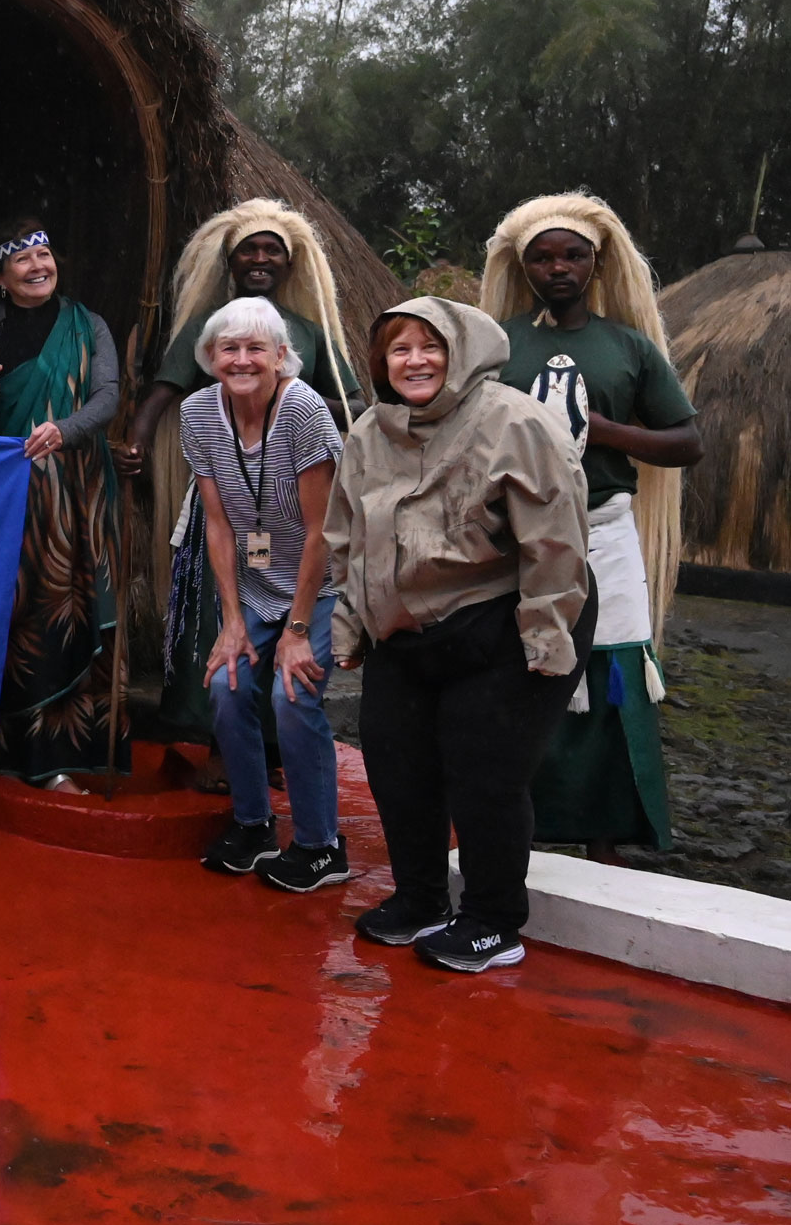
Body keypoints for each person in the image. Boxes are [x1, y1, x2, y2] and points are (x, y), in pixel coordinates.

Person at [327, 298, 594, 973]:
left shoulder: (514, 422)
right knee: (397, 764)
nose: (415, 361)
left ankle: (492, 922)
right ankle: (419, 898)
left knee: (486, 773)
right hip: (407, 626)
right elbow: (347, 537)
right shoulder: (370, 432)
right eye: (400, 349)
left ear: (463, 352)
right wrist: (350, 625)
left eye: (431, 346)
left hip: (502, 614)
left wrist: (545, 637)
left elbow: (556, 537)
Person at [481, 194, 700, 863]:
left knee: (611, 674)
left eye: (573, 255)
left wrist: (605, 432)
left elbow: (686, 441)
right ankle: (521, 828)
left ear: (595, 263)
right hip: (516, 538)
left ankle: (605, 838)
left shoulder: (628, 347)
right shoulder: (498, 345)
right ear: (523, 266)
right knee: (522, 672)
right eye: (542, 258)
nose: (558, 268)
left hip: (605, 530)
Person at [115, 199, 363, 788]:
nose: (260, 258)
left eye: (272, 250)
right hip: (224, 505)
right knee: (216, 624)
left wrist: (288, 395)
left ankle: (275, 754)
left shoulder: (308, 332)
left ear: (289, 262)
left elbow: (354, 403)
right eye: (248, 249)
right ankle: (220, 749)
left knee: (287, 629)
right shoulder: (214, 325)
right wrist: (137, 440)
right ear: (230, 262)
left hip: (292, 512)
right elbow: (167, 386)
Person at [182, 299, 347, 889]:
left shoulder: (302, 409)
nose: (242, 360)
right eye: (229, 348)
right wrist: (231, 622)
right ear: (210, 357)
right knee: (226, 687)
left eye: (256, 348)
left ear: (281, 356)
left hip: (320, 584)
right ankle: (253, 825)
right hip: (256, 585)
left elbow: (322, 531)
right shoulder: (198, 412)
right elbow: (218, 524)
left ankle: (322, 845)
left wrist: (297, 631)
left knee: (292, 695)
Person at [0, 217, 121, 791]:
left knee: (77, 612)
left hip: (80, 495)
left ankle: (72, 754)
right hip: (11, 499)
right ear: (0, 277)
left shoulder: (88, 325)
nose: (37, 266)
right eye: (22, 259)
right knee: (24, 619)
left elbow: (107, 397)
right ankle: (25, 754)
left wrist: (65, 429)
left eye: (44, 255)